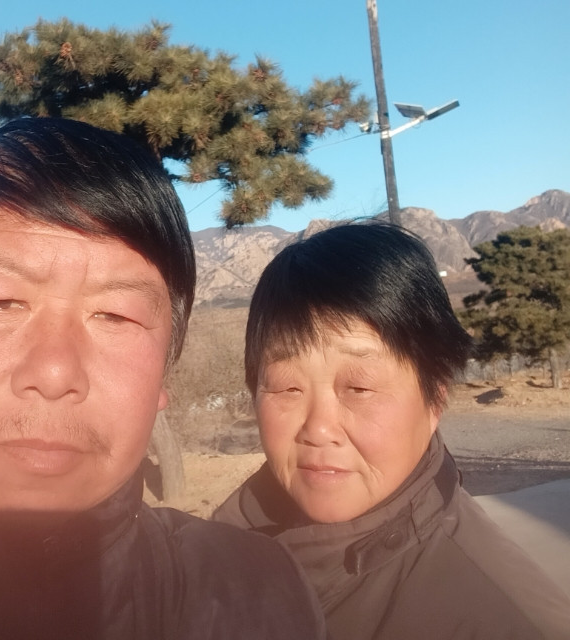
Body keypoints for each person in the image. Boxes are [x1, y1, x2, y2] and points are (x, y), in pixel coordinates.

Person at [0, 118, 325, 640]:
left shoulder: (258, 596)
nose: (55, 373)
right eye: (0, 301)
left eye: (116, 316)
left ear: (165, 367)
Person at [214, 222, 570, 640]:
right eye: (287, 386)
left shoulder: (505, 620)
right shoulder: (216, 548)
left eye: (359, 388)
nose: (318, 429)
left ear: (435, 400)